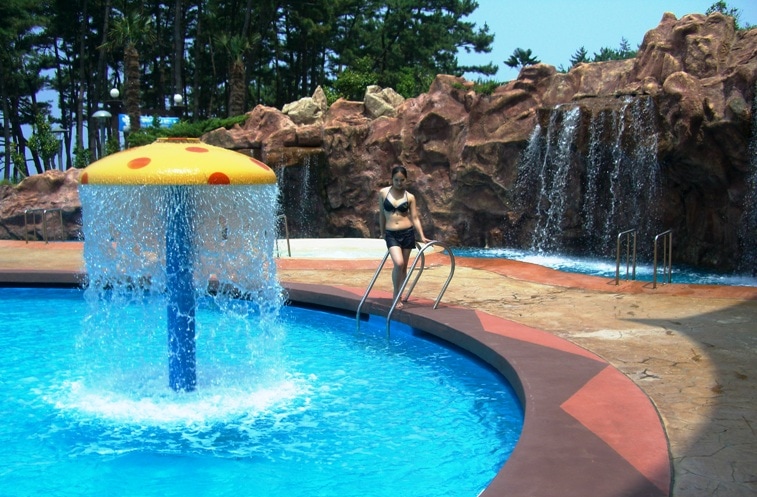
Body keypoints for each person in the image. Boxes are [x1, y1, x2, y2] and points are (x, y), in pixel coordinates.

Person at [378, 165, 431, 307]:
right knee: (399, 263)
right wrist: (382, 232)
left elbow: (415, 217)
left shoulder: (410, 197)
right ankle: (396, 295)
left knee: (404, 267)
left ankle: (399, 294)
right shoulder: (383, 193)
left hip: (407, 233)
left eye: (402, 180)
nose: (399, 183)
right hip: (391, 234)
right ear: (392, 179)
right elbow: (382, 214)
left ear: (406, 180)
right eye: (396, 180)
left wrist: (422, 236)